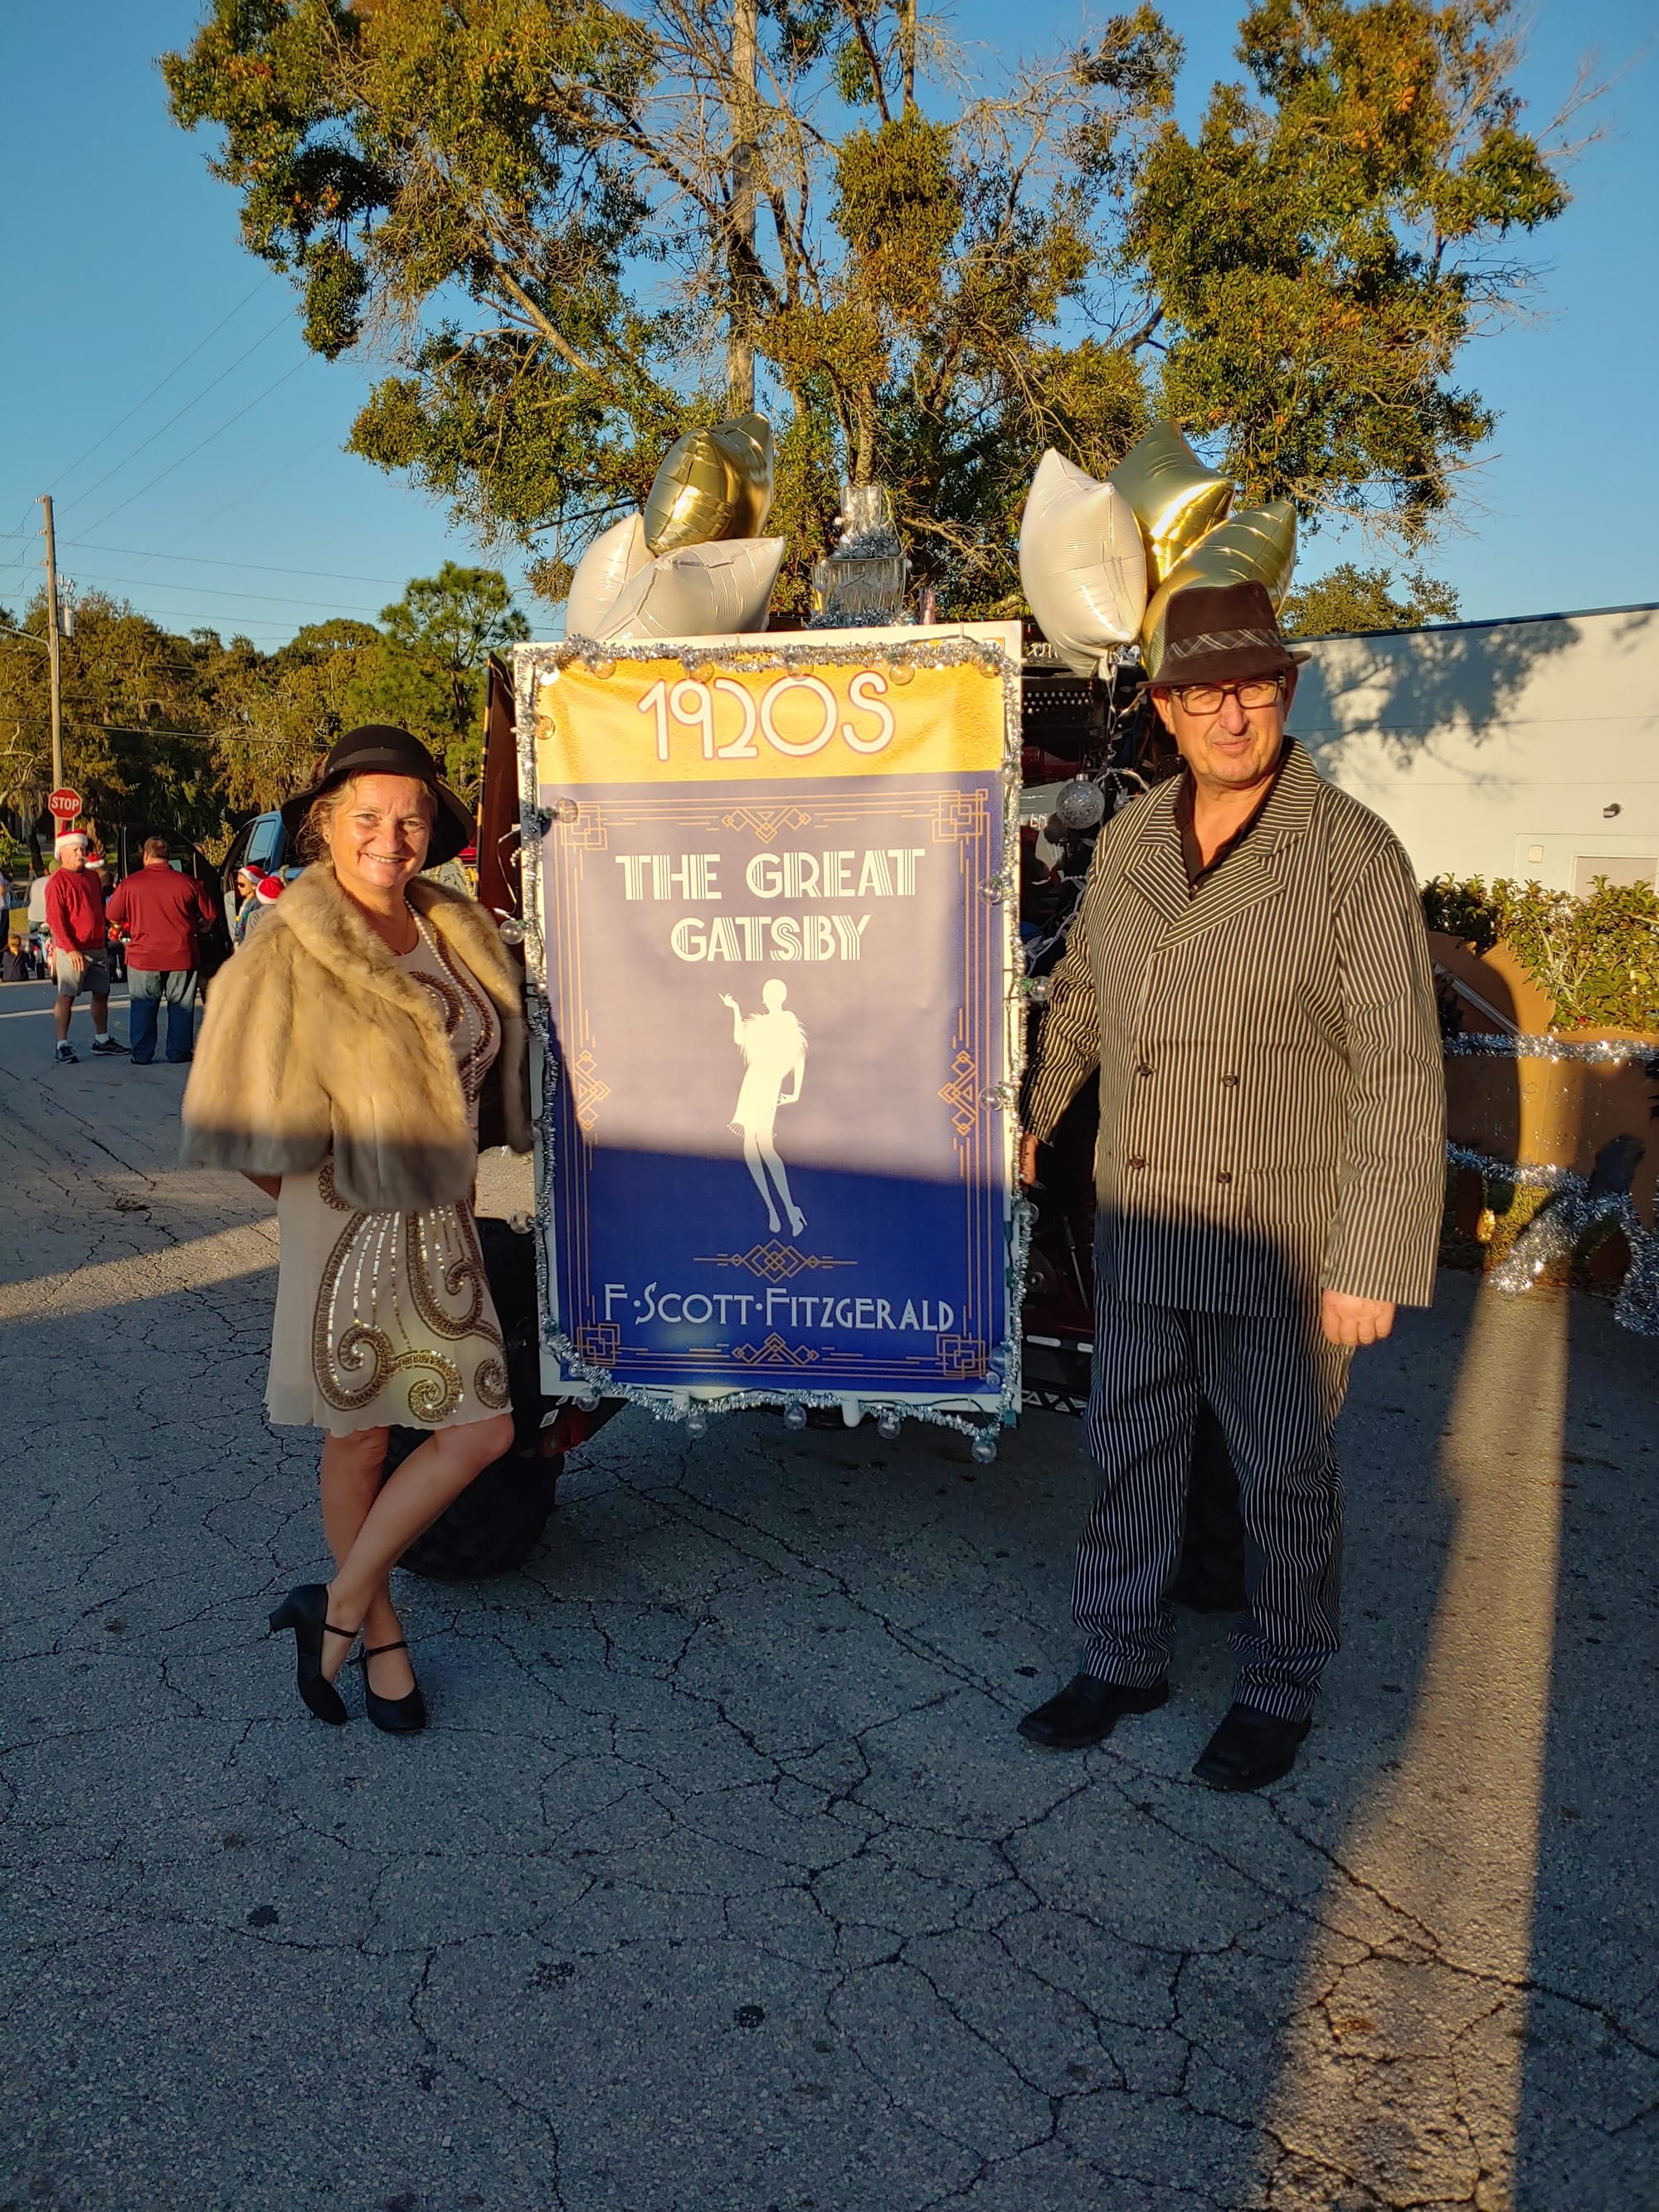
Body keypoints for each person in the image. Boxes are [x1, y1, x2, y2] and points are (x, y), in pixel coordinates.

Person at [1015, 580, 1444, 1791]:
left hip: (1283, 1229)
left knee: (1284, 1472)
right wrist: (1035, 1120)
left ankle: (1280, 1679)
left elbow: (1401, 1065)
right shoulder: (1137, 842)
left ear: (1287, 691)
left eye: (1251, 686)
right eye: (1203, 691)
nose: (1231, 713)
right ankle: (1121, 1651)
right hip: (1147, 1208)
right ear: (1164, 708)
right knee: (1132, 1444)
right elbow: (1087, 994)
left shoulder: (1351, 851)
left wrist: (1373, 1255)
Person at [182, 727, 531, 1733]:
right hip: (349, 1225)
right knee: (363, 1436)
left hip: (448, 1220)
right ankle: (378, 1636)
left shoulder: (455, 928)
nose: (392, 834)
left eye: (411, 815)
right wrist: (326, 1207)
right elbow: (239, 1123)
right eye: (368, 815)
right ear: (324, 824)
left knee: (479, 1432)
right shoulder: (287, 944)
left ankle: (329, 1607)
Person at [106, 839, 217, 1064]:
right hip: (182, 954)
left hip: (143, 956)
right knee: (181, 1007)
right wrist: (199, 926)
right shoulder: (189, 883)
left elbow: (112, 914)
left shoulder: (130, 884)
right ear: (169, 856)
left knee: (143, 1006)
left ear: (145, 856)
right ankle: (179, 1052)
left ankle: (142, 1053)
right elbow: (211, 914)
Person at [721, 980, 808, 1236]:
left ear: (780, 996)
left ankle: (791, 1209)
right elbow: (739, 1038)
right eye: (767, 995)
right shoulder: (759, 1022)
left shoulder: (788, 1020)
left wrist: (795, 1092)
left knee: (765, 1145)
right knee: (750, 1142)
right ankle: (771, 1209)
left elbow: (799, 1055)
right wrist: (735, 1009)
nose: (769, 999)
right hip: (753, 1080)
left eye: (773, 994)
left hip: (769, 1082)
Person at [44, 834, 126, 1063]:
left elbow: (99, 907)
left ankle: (102, 1039)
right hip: (72, 949)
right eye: (76, 850)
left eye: (82, 849)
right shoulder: (57, 882)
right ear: (63, 854)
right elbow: (55, 921)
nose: (81, 854)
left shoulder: (91, 877)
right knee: (67, 995)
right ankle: (62, 1044)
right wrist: (70, 949)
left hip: (97, 946)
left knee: (101, 993)